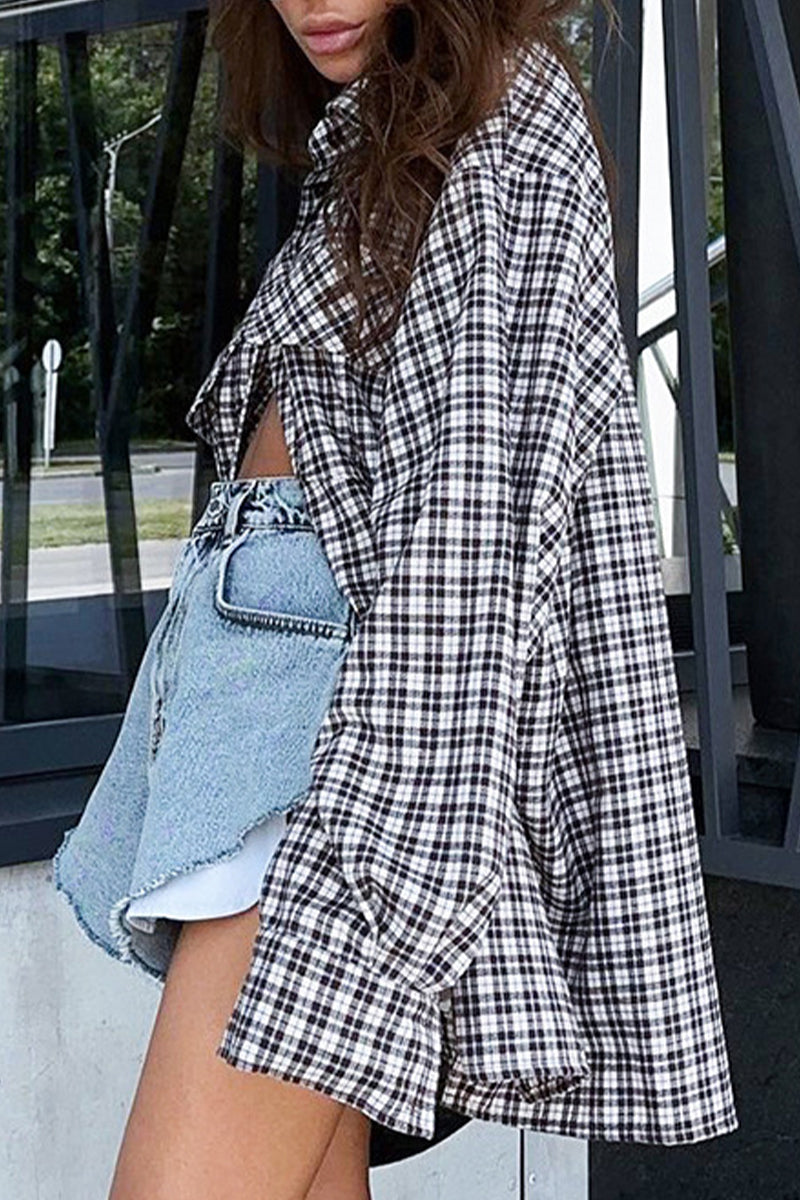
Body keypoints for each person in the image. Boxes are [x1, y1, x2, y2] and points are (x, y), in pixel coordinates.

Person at [52, 2, 739, 1198]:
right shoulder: (389, 130)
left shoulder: (506, 116)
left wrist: (385, 857)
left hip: (335, 738)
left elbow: (477, 527)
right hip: (257, 692)